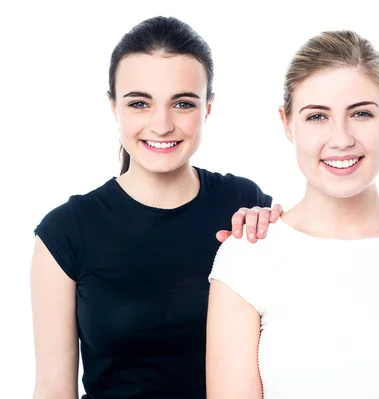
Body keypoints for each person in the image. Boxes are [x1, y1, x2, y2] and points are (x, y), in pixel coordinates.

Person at [206, 30, 379, 398]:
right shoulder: (246, 255)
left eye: (360, 113)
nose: (341, 139)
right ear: (286, 123)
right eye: (317, 116)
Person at [30, 16, 282, 399]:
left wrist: (281, 228)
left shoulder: (245, 206)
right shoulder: (66, 232)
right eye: (139, 103)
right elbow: (52, 389)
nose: (162, 125)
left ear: (208, 107)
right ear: (113, 106)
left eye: (182, 103)